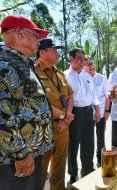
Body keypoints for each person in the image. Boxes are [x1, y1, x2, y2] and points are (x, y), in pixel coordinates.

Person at [0, 15, 54, 190]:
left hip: (30, 153)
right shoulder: (5, 65)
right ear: (20, 33)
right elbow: (2, 117)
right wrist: (20, 154)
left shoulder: (20, 62)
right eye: (36, 35)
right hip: (15, 162)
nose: (39, 40)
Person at [35, 38, 74, 190]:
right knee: (40, 169)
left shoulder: (59, 73)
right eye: (54, 50)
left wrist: (67, 117)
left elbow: (70, 96)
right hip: (43, 129)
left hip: (63, 127)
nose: (57, 53)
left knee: (59, 166)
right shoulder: (32, 71)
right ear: (43, 52)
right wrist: (64, 116)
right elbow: (38, 103)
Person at [64, 48, 100, 185]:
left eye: (83, 58)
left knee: (89, 143)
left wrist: (96, 110)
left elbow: (94, 95)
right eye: (79, 58)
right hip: (75, 113)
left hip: (88, 111)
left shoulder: (86, 76)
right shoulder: (65, 75)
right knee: (73, 144)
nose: (82, 61)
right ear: (71, 58)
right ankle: (73, 174)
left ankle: (87, 169)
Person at [86, 56, 110, 168]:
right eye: (88, 64)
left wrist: (106, 111)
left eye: (92, 63)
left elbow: (107, 97)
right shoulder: (82, 78)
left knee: (100, 138)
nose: (91, 66)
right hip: (86, 115)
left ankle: (101, 160)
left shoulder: (102, 78)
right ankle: (88, 164)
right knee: (88, 140)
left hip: (100, 113)